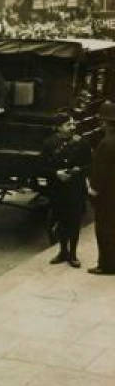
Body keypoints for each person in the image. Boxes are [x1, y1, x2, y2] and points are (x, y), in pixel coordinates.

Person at [42, 117, 91, 268]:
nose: (72, 126)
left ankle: (73, 254)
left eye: (73, 123)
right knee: (61, 220)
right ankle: (63, 251)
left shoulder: (82, 143)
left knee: (74, 222)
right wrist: (56, 173)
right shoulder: (49, 144)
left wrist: (79, 170)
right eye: (68, 124)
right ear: (58, 128)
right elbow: (41, 166)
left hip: (75, 188)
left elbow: (90, 164)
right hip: (58, 188)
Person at [88, 101, 115, 275]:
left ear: (104, 122)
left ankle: (106, 265)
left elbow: (101, 170)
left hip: (107, 194)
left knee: (104, 229)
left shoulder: (106, 143)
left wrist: (94, 188)